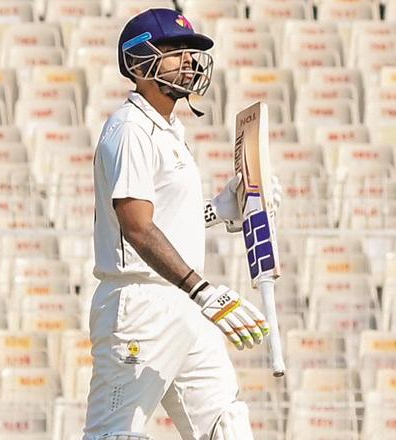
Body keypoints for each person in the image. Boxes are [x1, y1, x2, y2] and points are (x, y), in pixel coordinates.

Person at [84, 8, 270, 440]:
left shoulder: (170, 130)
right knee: (116, 434)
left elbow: (164, 217)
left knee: (227, 425)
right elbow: (136, 227)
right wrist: (202, 290)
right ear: (137, 61)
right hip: (139, 308)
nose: (188, 60)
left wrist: (220, 209)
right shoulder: (130, 129)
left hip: (184, 304)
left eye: (191, 52)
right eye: (174, 51)